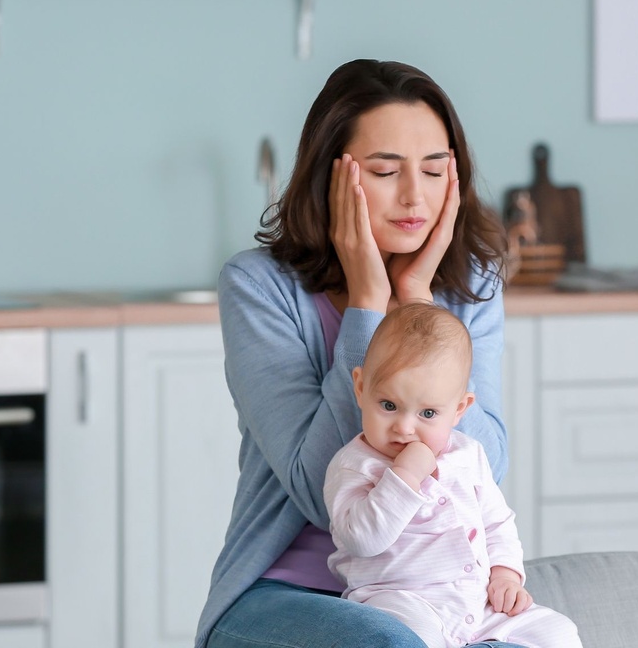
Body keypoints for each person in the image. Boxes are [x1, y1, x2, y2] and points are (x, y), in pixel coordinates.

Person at [197, 59, 517, 648]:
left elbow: (482, 469)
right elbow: (321, 493)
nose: (413, 195)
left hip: (437, 592)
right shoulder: (260, 288)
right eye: (385, 170)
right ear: (332, 177)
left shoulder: (470, 287)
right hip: (287, 594)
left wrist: (419, 303)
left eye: (434, 168)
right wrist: (368, 303)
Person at [326, 302, 582, 648]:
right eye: (388, 405)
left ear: (459, 409)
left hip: (477, 604)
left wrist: (505, 574)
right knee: (404, 639)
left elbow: (497, 523)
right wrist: (404, 476)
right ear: (360, 388)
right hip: (400, 601)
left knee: (558, 632)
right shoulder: (354, 464)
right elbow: (361, 540)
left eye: (428, 412)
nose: (404, 427)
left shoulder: (468, 455)